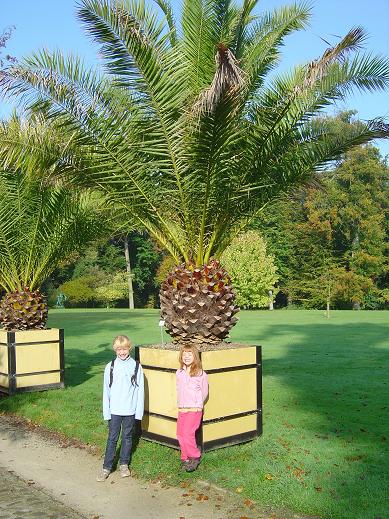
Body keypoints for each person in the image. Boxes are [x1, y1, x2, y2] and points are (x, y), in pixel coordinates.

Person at [96, 335, 144, 482]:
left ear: (129, 348)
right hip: (114, 411)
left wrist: (138, 413)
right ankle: (107, 467)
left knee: (127, 438)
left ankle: (124, 464)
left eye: (124, 349)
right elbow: (106, 391)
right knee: (112, 438)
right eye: (118, 349)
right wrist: (107, 413)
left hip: (130, 410)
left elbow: (139, 391)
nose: (122, 352)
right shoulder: (110, 367)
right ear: (115, 349)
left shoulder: (136, 366)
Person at [176, 345, 208, 472]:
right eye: (184, 354)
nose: (187, 357)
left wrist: (197, 402)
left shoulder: (201, 374)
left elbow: (204, 392)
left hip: (194, 409)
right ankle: (185, 458)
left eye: (190, 354)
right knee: (180, 434)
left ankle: (195, 456)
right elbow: (179, 389)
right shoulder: (179, 373)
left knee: (188, 434)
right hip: (182, 408)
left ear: (195, 357)